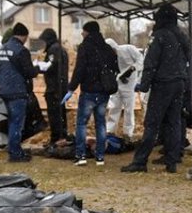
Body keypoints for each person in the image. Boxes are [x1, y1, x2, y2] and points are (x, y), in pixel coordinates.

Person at [122, 3, 189, 174]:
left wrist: (144, 85)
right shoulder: (181, 36)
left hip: (163, 83)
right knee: (174, 122)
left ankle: (140, 161)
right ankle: (172, 160)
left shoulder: (159, 36)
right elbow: (189, 61)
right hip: (179, 82)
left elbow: (150, 63)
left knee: (152, 123)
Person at [65, 21, 118, 166]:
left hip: (89, 90)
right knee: (100, 123)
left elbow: (79, 69)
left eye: (83, 31)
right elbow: (115, 67)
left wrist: (71, 88)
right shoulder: (106, 48)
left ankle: (81, 155)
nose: (82, 33)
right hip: (103, 92)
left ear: (88, 32)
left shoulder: (85, 47)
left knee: (81, 123)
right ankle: (100, 157)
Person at [0, 22, 38, 163]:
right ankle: (15, 153)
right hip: (17, 90)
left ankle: (14, 149)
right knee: (17, 122)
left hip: (4, 90)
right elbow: (29, 72)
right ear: (24, 36)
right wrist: (38, 68)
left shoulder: (3, 48)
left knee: (12, 121)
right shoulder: (21, 50)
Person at [38, 27, 70, 147]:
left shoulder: (53, 49)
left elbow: (50, 66)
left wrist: (38, 67)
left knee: (54, 115)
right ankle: (62, 136)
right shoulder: (61, 49)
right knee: (60, 114)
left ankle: (56, 138)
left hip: (54, 88)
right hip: (61, 87)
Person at [105, 37, 143, 138]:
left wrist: (132, 69)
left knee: (129, 110)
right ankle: (110, 131)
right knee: (114, 108)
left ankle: (127, 133)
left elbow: (140, 59)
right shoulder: (108, 57)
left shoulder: (128, 49)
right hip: (117, 85)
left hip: (129, 85)